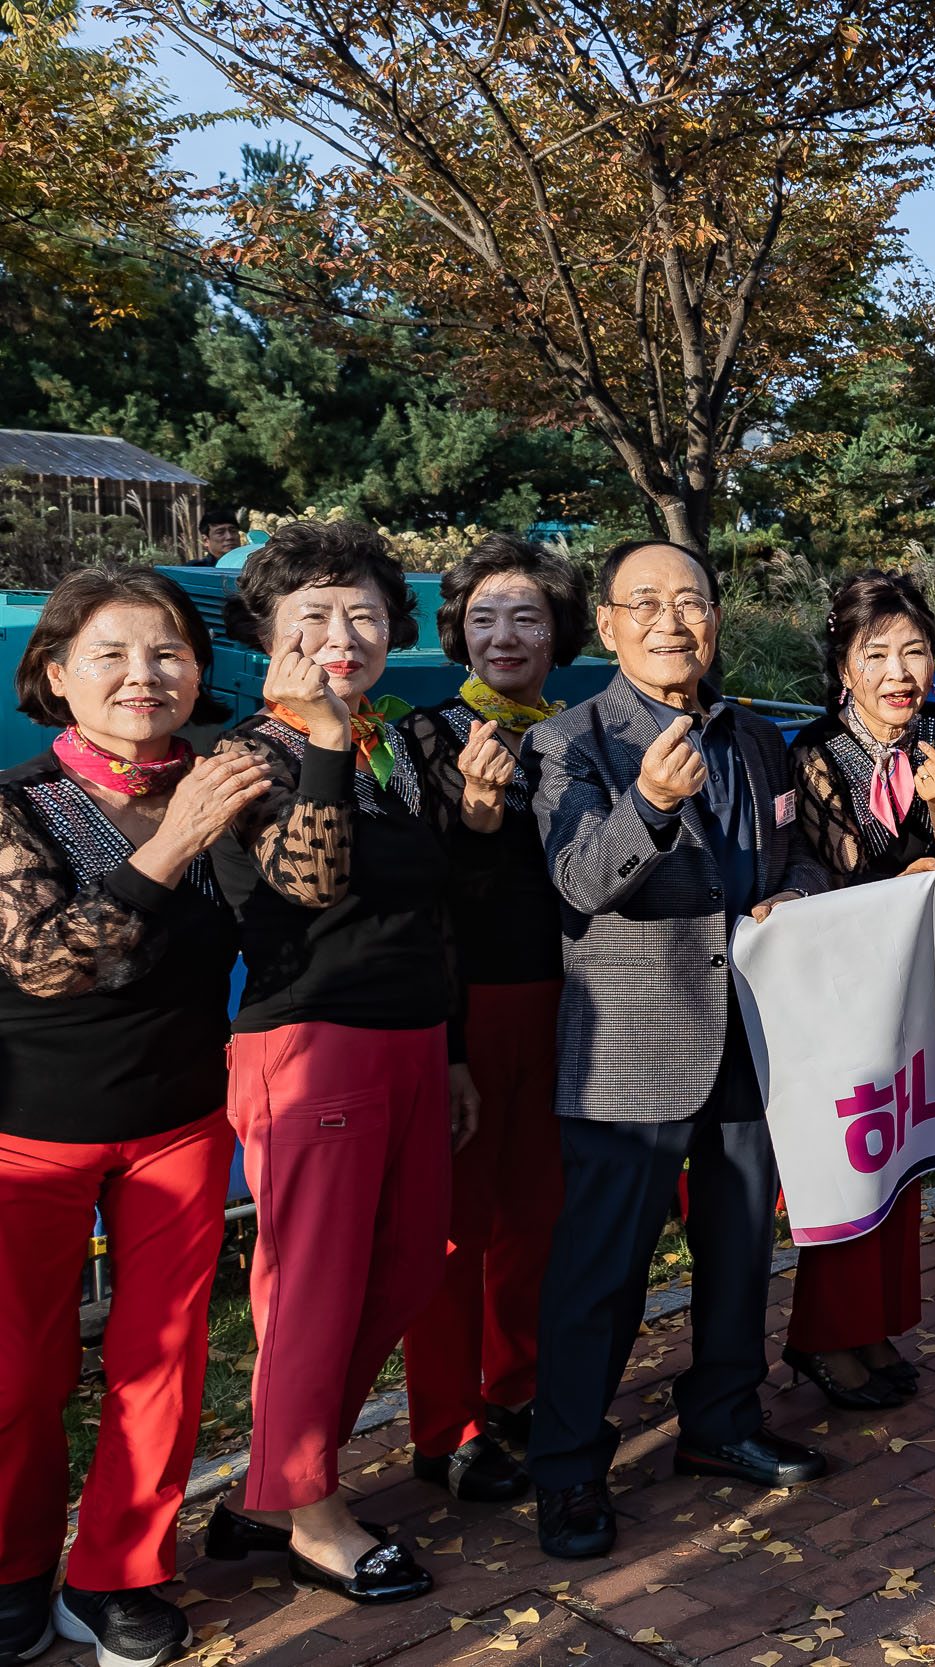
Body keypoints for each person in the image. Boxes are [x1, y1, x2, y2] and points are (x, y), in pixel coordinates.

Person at [208, 520, 508, 1605]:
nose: (344, 634)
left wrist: (458, 1048)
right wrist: (326, 734)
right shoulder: (246, 754)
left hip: (414, 1037)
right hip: (310, 1041)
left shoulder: (397, 743)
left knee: (408, 1267)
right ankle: (312, 1511)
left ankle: (265, 1490)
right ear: (268, 634)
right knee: (314, 1289)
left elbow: (434, 908)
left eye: (365, 614)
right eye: (315, 616)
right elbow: (309, 880)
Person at [524, 541, 829, 1562]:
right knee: (600, 1272)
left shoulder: (754, 737)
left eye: (689, 600)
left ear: (716, 619)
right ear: (606, 625)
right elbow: (577, 878)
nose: (669, 621)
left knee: (740, 1248)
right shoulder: (571, 743)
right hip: (629, 1044)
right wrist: (648, 806)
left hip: (749, 1028)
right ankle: (566, 1467)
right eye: (643, 603)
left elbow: (798, 849)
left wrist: (802, 896)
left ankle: (722, 1420)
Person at [0, 573, 270, 1667]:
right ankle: (14, 1565)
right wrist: (174, 841)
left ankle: (122, 1566)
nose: (142, 676)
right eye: (109, 654)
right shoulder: (17, 805)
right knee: (19, 1369)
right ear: (58, 675)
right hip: (30, 1130)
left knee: (159, 1361)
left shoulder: (233, 788)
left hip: (181, 1121)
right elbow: (49, 961)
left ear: (200, 672)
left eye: (168, 652)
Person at [397, 536, 592, 1503]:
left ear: (560, 630)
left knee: (536, 1216)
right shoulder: (423, 737)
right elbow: (436, 895)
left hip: (569, 1006)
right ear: (455, 633)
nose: (503, 634)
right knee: (454, 1227)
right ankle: (446, 1423)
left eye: (526, 615)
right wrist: (476, 814)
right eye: (482, 616)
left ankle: (515, 1387)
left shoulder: (580, 734)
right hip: (469, 1009)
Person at [782, 574, 935, 1411]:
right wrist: (920, 858)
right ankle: (822, 1334)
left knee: (907, 1151)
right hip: (846, 978)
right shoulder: (816, 750)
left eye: (914, 651)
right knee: (855, 1150)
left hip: (931, 971)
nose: (900, 672)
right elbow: (843, 869)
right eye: (877, 655)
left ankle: (877, 1323)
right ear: (844, 667)